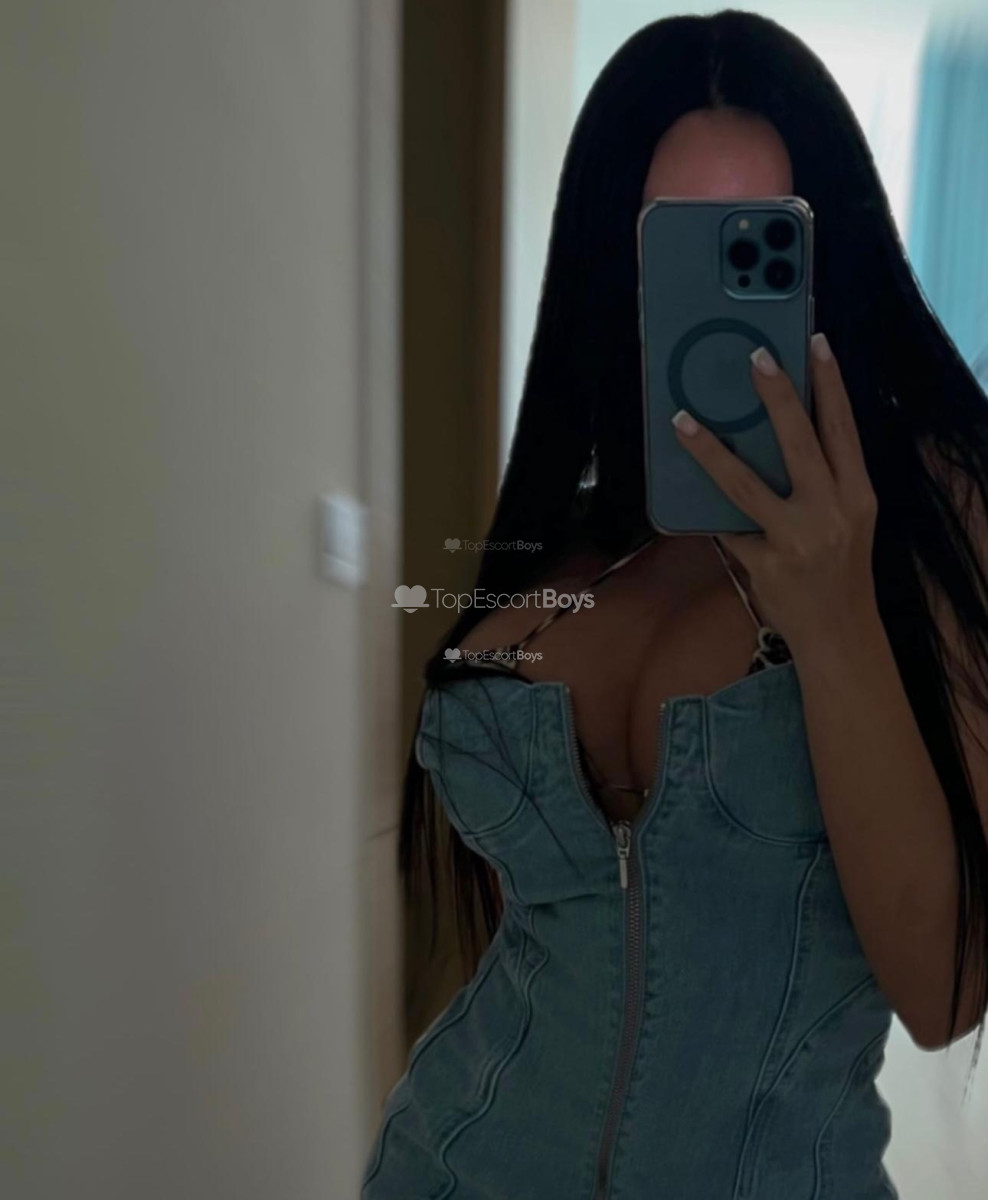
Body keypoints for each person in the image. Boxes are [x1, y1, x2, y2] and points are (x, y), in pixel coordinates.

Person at [362, 10, 988, 1198]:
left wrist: (832, 612)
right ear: (610, 263)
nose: (715, 291)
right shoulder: (574, 532)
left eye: (759, 241)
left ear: (830, 256)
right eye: (670, 243)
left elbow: (944, 993)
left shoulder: (939, 511)